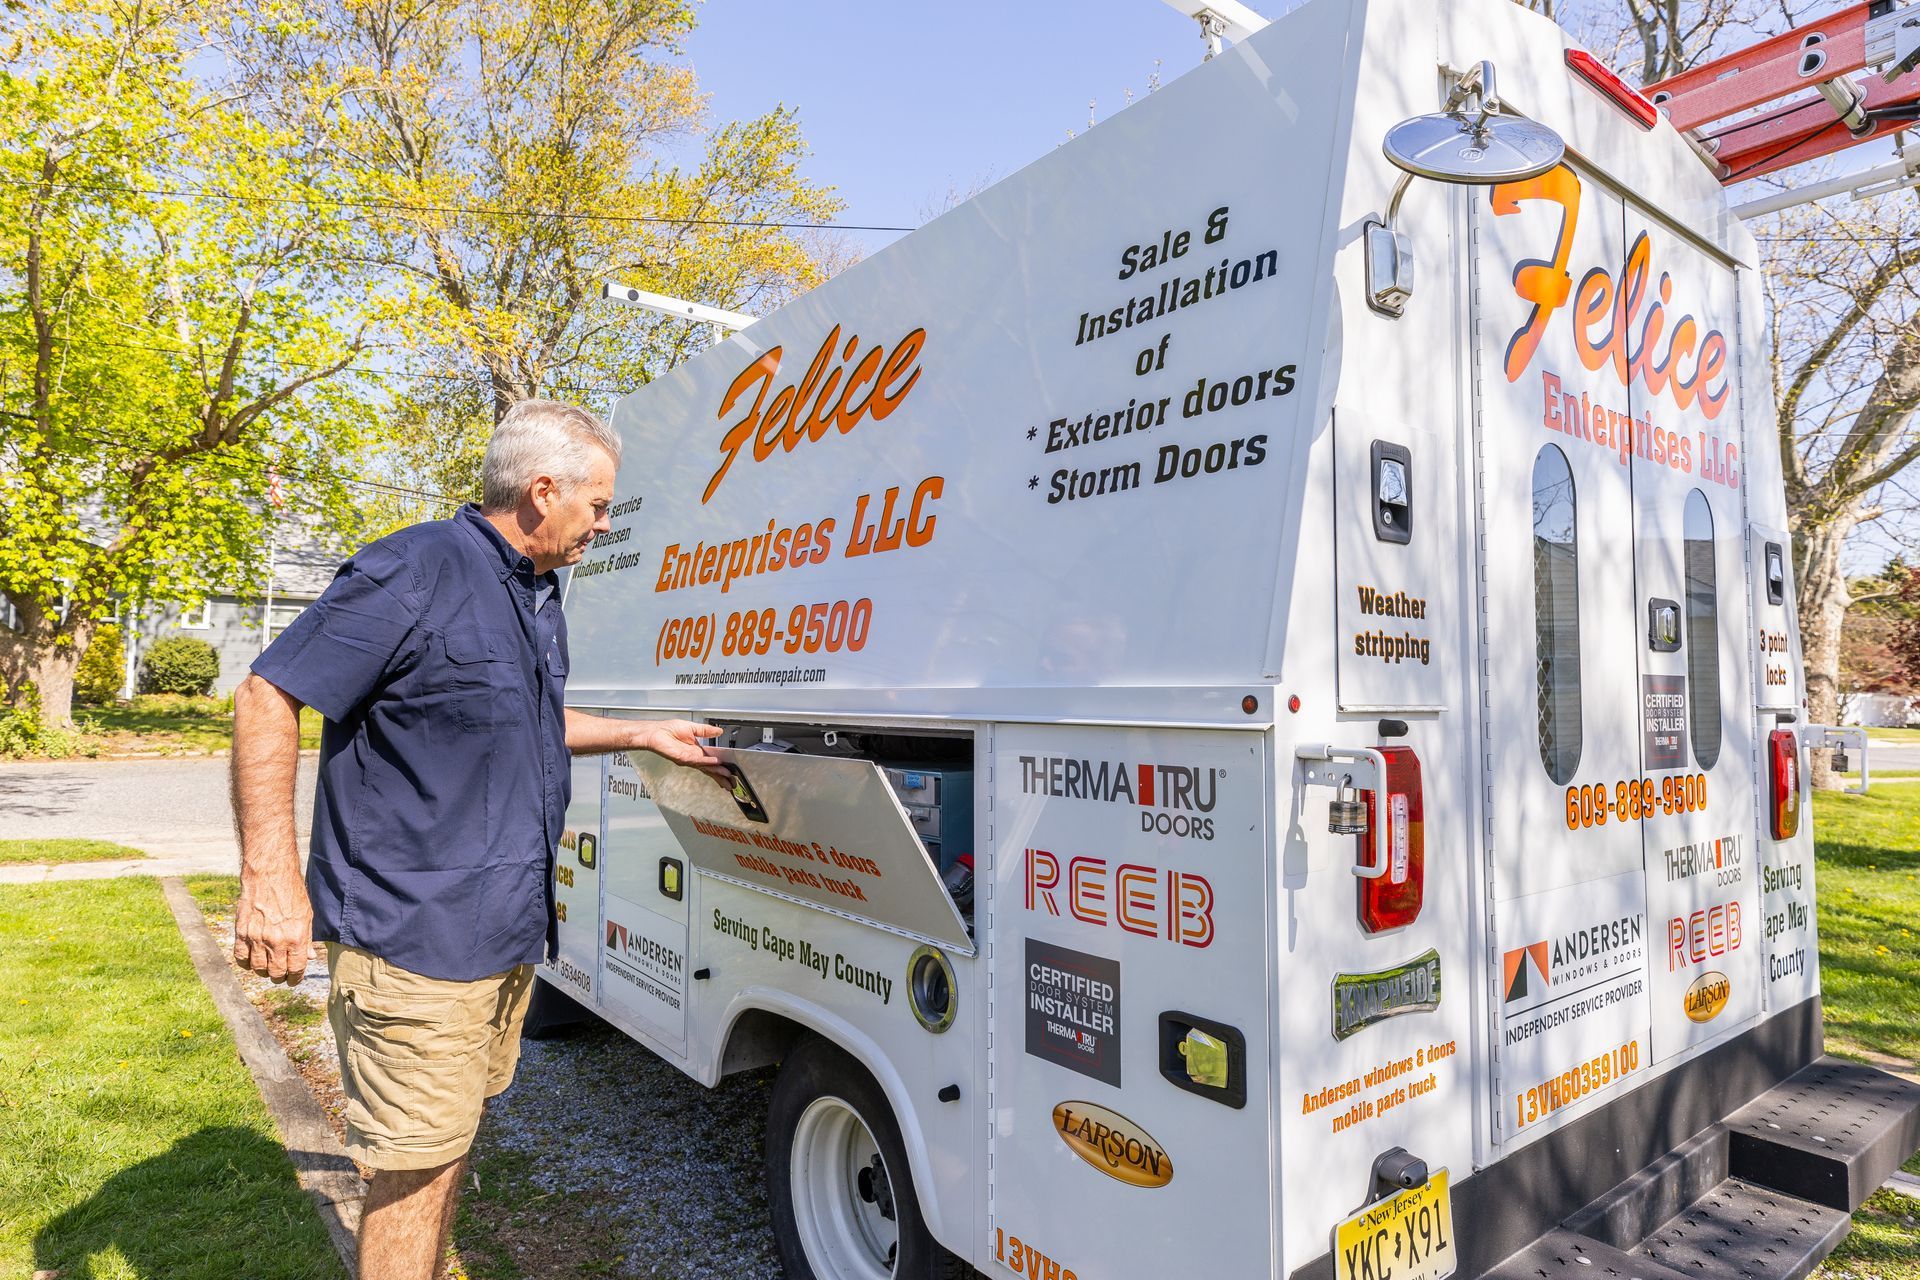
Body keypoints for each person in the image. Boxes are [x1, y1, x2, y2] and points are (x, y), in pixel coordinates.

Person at [229, 399, 720, 1280]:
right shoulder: (417, 568)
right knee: (413, 1172)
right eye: (600, 506)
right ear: (542, 491)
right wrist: (269, 875)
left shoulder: (531, 591)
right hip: (417, 941)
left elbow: (521, 719)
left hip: (500, 935)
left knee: (448, 1145)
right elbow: (269, 693)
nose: (605, 525)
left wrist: (641, 734)